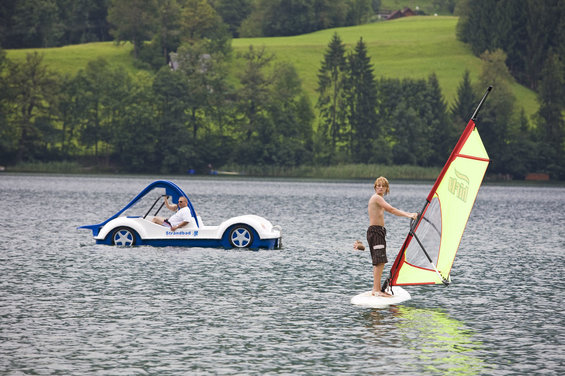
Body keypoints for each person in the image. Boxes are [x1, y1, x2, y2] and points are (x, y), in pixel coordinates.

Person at [365, 176, 417, 297]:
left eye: (383, 186)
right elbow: (392, 209)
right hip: (375, 232)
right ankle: (376, 290)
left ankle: (376, 289)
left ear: (387, 188)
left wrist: (409, 214)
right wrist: (409, 215)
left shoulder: (380, 200)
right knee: (379, 261)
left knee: (379, 261)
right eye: (378, 185)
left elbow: (389, 210)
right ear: (375, 187)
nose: (380, 188)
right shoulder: (376, 198)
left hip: (378, 232)